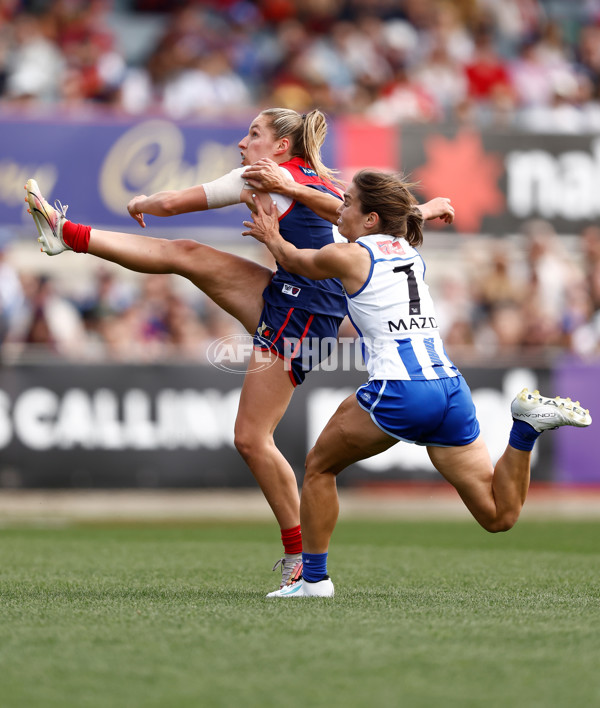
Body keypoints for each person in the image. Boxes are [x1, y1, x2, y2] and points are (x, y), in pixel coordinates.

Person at [24, 107, 456, 595]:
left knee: (251, 438)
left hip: (307, 314)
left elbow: (345, 216)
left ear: (280, 148)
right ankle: (66, 234)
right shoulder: (278, 178)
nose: (241, 142)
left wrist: (141, 202)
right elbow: (352, 215)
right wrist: (147, 201)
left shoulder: (285, 181)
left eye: (254, 134)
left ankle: (301, 560)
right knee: (187, 254)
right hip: (290, 293)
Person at [242, 169, 593, 598]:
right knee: (498, 517)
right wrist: (423, 210)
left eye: (348, 202)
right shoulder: (408, 247)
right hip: (450, 388)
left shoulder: (348, 256)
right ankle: (523, 429)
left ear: (371, 219)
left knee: (318, 468)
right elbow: (398, 219)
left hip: (401, 389)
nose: (340, 208)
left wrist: (269, 233)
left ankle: (313, 582)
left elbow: (296, 261)